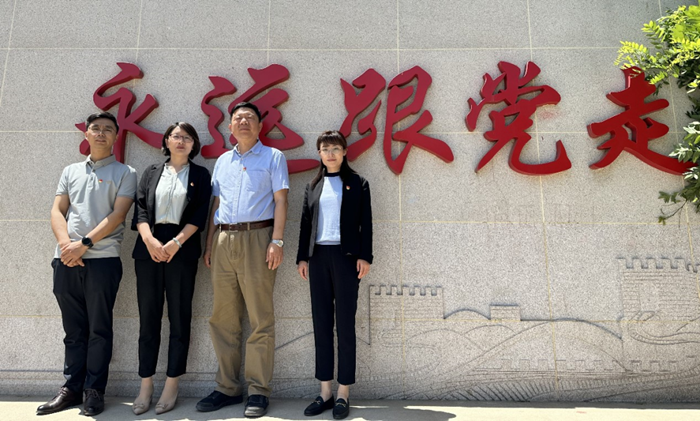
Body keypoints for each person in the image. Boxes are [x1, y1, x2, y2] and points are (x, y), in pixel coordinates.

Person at [38, 112, 137, 416]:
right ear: (86, 134)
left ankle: (94, 390)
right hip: (65, 260)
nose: (101, 133)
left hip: (102, 260)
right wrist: (67, 246)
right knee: (73, 331)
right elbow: (57, 211)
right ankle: (71, 388)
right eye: (95, 128)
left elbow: (118, 215)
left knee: (99, 330)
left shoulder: (126, 172)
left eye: (108, 129)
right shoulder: (70, 171)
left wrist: (84, 244)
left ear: (116, 136)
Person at [197, 102, 289, 418]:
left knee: (260, 318)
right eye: (238, 118)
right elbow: (216, 204)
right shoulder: (223, 161)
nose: (244, 121)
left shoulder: (273, 157)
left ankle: (258, 390)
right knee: (222, 317)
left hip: (258, 237)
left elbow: (281, 201)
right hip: (223, 239)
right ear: (230, 127)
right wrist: (210, 243)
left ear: (260, 125)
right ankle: (227, 387)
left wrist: (277, 241)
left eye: (250, 117)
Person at [130, 122, 212, 415]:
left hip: (182, 248)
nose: (181, 141)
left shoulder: (200, 174)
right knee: (148, 319)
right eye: (176, 136)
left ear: (193, 144)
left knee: (179, 317)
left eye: (187, 137)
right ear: (166, 141)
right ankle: (145, 385)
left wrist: (176, 242)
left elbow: (200, 214)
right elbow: (140, 209)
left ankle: (172, 384)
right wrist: (150, 240)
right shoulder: (152, 172)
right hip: (149, 248)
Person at [296, 130, 373, 420]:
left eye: (335, 148)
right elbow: (305, 224)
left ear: (344, 152)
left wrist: (365, 256)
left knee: (345, 325)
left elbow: (366, 222)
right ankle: (325, 391)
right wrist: (302, 257)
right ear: (319, 153)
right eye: (325, 149)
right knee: (322, 324)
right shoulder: (313, 186)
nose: (330, 153)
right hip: (318, 258)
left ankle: (343, 393)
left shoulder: (357, 183)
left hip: (346, 258)